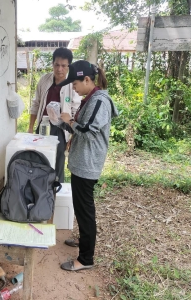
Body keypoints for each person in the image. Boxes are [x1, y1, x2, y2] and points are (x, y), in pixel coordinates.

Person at [57, 60, 119, 271]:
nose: (73, 88)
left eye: (75, 83)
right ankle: (83, 241)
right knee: (81, 206)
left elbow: (88, 129)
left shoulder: (99, 100)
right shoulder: (90, 98)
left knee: (85, 210)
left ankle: (85, 259)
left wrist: (69, 121)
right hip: (81, 161)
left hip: (88, 163)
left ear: (86, 79)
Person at [28, 47, 81, 183]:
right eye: (57, 65)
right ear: (52, 64)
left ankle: (57, 191)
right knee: (40, 157)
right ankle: (39, 188)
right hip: (43, 125)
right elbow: (36, 104)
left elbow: (76, 111)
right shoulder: (44, 80)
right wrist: (30, 128)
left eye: (64, 66)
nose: (59, 69)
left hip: (61, 129)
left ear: (69, 66)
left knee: (58, 161)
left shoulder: (72, 85)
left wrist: (72, 136)